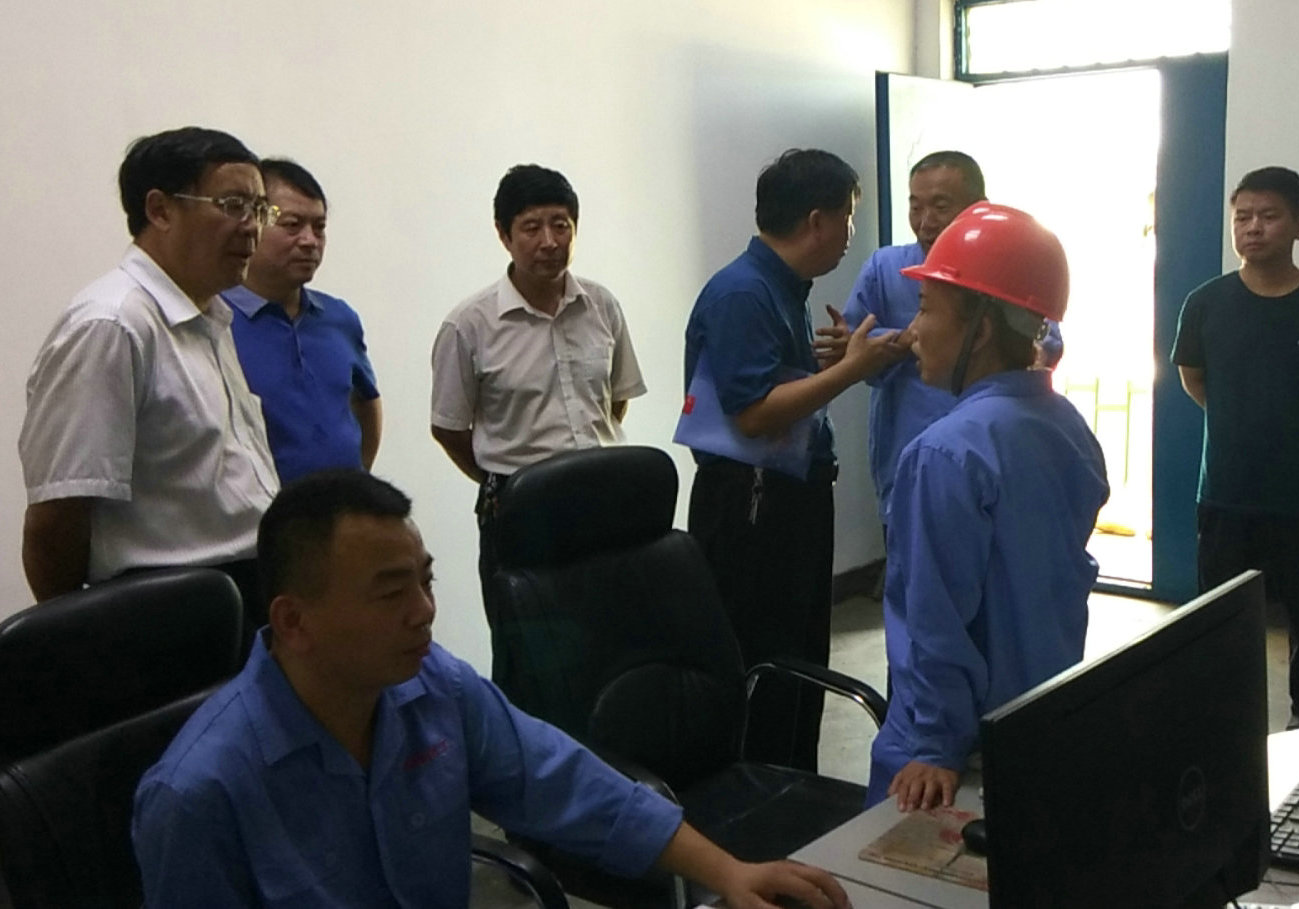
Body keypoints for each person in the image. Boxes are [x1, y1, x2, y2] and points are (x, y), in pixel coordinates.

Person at [131, 470, 851, 909]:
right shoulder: (199, 793)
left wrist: (729, 872)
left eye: (426, 581)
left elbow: (566, 781)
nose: (424, 611)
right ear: (293, 621)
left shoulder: (430, 685)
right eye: (390, 592)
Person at [868, 202, 1109, 810]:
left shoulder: (944, 454)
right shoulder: (1067, 426)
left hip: (955, 747)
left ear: (979, 331)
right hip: (1044, 717)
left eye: (926, 309)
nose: (913, 331)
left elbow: (934, 619)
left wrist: (934, 746)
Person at [683, 149, 909, 772]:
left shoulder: (782, 287)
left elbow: (774, 388)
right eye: (848, 217)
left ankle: (793, 784)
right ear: (817, 220)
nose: (849, 234)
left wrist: (825, 363)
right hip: (751, 505)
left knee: (802, 659)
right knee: (765, 662)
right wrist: (851, 371)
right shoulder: (743, 292)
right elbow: (754, 414)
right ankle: (762, 795)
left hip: (790, 496)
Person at [18, 126, 278, 618]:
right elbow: (57, 518)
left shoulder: (208, 318)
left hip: (244, 595)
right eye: (232, 205)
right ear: (160, 210)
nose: (252, 228)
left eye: (260, 209)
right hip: (164, 611)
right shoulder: (112, 324)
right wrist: (79, 639)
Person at [1172, 165, 1299, 729]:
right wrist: (1240, 421)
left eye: (1269, 215)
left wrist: (1288, 424)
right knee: (1221, 618)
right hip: (1226, 492)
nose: (1253, 227)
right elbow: (1193, 376)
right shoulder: (1206, 303)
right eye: (1243, 217)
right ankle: (1223, 722)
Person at [431, 164, 646, 613]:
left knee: (612, 626)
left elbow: (615, 399)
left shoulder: (601, 305)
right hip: (520, 507)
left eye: (560, 225)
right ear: (503, 234)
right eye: (531, 228)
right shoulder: (469, 325)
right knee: (528, 633)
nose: (549, 241)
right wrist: (507, 479)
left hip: (602, 496)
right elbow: (449, 428)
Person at [841, 151, 983, 528]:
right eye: (915, 207)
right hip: (905, 447)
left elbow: (1043, 346)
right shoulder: (887, 268)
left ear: (978, 207)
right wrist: (898, 342)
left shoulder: (1003, 267)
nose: (925, 221)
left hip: (983, 448)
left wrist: (903, 341)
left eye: (940, 206)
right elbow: (853, 348)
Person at [222, 158, 382, 485]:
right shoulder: (214, 321)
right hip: (258, 512)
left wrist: (359, 480)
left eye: (319, 227)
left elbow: (366, 403)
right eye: (292, 225)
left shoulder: (339, 317)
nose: (310, 241)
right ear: (253, 222)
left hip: (341, 507)